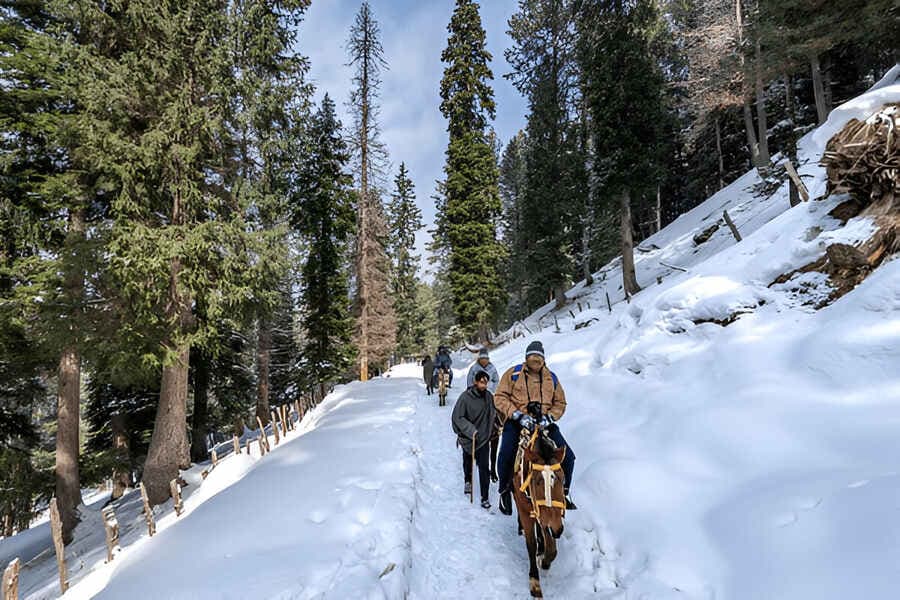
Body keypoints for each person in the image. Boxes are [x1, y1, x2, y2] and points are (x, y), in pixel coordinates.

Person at [493, 340, 577, 515]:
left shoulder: (551, 378)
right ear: (526, 358)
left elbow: (560, 402)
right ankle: (504, 492)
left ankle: (564, 492)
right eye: (532, 356)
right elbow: (500, 397)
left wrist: (549, 417)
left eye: (538, 356)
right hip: (517, 422)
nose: (535, 359)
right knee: (506, 453)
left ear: (544, 359)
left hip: (544, 425)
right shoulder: (513, 374)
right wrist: (517, 415)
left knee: (568, 457)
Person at [451, 370, 495, 509]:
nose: (484, 385)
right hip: (469, 437)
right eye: (481, 382)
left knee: (484, 467)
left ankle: (485, 497)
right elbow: (458, 417)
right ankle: (468, 480)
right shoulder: (465, 398)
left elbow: (493, 412)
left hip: (483, 438)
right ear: (475, 382)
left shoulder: (488, 396)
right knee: (468, 460)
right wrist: (471, 430)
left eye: (486, 383)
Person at [466, 348, 501, 480]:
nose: (484, 361)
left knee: (498, 415)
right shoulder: (473, 369)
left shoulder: (492, 368)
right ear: (479, 359)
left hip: (490, 396)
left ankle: (493, 469)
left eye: (486, 358)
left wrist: (490, 388)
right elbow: (470, 383)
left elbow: (497, 381)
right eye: (482, 359)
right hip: (477, 396)